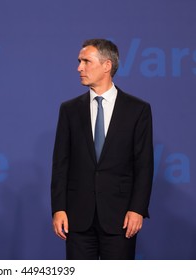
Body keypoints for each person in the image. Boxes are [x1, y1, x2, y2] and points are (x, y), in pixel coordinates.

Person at [51, 39, 154, 260]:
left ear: (107, 65)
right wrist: (58, 208)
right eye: (79, 61)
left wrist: (137, 209)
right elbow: (61, 164)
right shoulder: (69, 110)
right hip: (78, 218)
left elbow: (144, 165)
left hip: (120, 218)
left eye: (86, 61)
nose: (79, 67)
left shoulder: (137, 110)